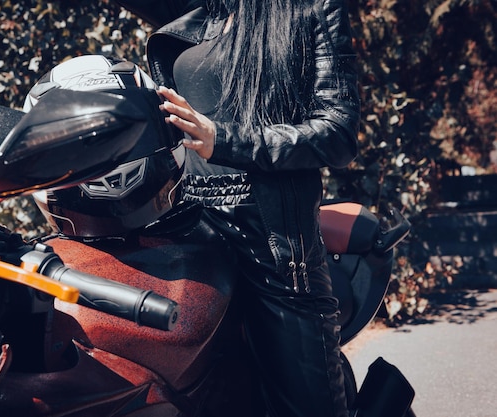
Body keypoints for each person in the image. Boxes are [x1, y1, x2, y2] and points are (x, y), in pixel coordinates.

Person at [114, 0, 361, 416]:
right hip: (188, 231)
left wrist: (226, 139)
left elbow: (339, 132)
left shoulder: (309, 9)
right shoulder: (199, 10)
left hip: (274, 248)